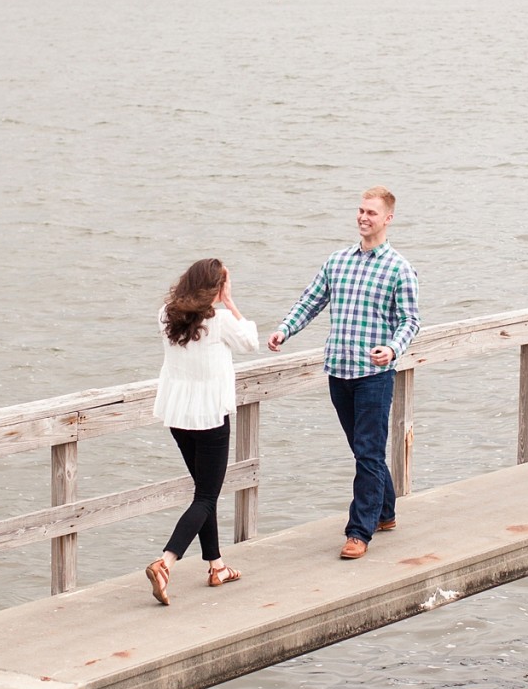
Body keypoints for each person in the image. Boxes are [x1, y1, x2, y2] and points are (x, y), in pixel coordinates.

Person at [267, 187, 421, 560]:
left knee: (368, 451)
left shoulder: (398, 267)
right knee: (362, 448)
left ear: (388, 219)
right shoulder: (337, 261)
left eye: (371, 212)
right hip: (339, 369)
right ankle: (384, 512)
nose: (363, 217)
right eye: (360, 210)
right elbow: (311, 300)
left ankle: (358, 532)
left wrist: (393, 348)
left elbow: (410, 320)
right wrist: (285, 329)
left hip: (374, 373)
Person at [146, 257, 258, 605]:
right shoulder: (220, 320)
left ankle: (217, 566)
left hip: (178, 415)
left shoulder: (166, 314)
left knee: (202, 493)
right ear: (216, 287)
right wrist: (230, 302)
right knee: (207, 497)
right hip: (209, 418)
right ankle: (165, 562)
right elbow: (251, 342)